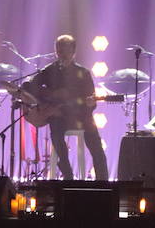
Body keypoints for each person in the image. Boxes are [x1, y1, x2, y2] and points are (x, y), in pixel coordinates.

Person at [24, 35, 109, 181]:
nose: (60, 52)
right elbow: (28, 86)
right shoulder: (50, 70)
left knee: (96, 145)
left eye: (64, 49)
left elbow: (91, 102)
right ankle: (67, 174)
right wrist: (50, 95)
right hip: (59, 117)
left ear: (73, 51)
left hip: (81, 116)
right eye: (58, 49)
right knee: (56, 133)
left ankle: (104, 182)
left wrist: (88, 104)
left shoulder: (83, 72)